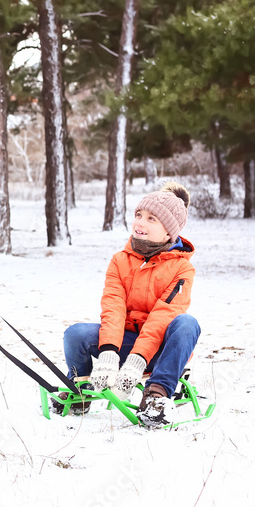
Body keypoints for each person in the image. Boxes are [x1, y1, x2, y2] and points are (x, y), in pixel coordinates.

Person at [58, 182, 200, 427]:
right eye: (138, 215)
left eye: (151, 219)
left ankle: (157, 395)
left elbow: (163, 316)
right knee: (76, 333)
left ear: (169, 233)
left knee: (187, 324)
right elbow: (113, 306)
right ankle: (80, 391)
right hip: (126, 339)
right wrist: (109, 350)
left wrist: (138, 359)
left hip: (161, 351)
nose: (140, 223)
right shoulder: (120, 260)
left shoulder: (182, 268)